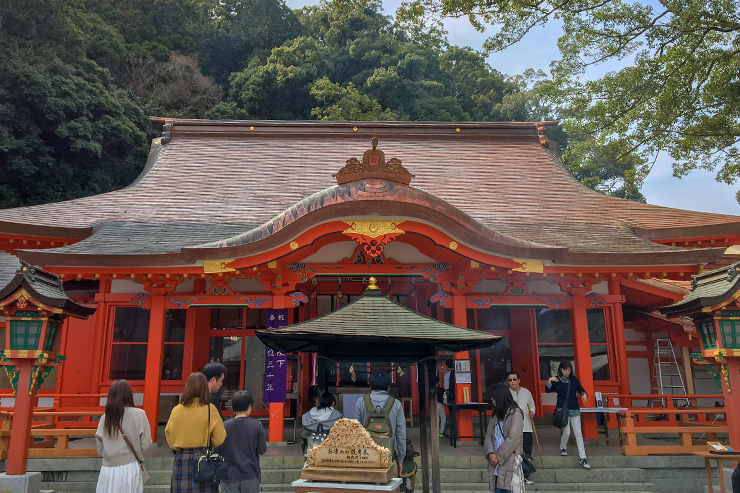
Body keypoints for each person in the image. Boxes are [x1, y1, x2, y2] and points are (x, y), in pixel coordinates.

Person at [166, 372, 228, 493]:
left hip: (181, 460)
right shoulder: (210, 409)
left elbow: (170, 438)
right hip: (203, 460)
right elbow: (219, 438)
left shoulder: (176, 410)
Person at [95, 380, 152, 493]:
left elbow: (99, 448)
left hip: (108, 468)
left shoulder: (105, 418)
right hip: (130, 466)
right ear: (129, 395)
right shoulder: (139, 414)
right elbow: (146, 444)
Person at [355, 370, 406, 473]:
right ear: (388, 387)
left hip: (365, 454)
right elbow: (401, 433)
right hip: (389, 454)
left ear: (370, 385)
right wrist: (401, 458)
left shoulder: (361, 402)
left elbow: (356, 430)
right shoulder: (396, 404)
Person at [216, 390, 267, 493]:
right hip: (250, 474)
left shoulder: (224, 426)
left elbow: (216, 451)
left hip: (228, 475)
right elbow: (262, 450)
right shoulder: (256, 425)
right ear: (249, 406)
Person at [546, 360, 591, 469]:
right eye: (565, 370)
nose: (567, 372)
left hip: (574, 409)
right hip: (563, 409)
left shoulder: (574, 380)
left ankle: (583, 458)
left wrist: (584, 394)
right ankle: (563, 447)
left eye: (569, 370)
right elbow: (548, 390)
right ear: (561, 369)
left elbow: (581, 390)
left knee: (578, 434)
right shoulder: (557, 380)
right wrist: (549, 380)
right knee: (566, 432)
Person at [484, 383, 524, 493]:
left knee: (509, 488)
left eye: (494, 397)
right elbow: (488, 435)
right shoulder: (496, 414)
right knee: (498, 488)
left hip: (509, 459)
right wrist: (490, 453)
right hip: (495, 461)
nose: (492, 399)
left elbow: (513, 439)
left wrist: (497, 457)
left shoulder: (515, 414)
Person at [506, 372, 536, 485]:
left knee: (527, 452)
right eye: (510, 380)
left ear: (519, 380)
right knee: (514, 453)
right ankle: (514, 476)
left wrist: (532, 412)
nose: (512, 382)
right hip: (513, 429)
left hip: (527, 427)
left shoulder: (526, 392)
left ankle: (526, 475)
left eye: (514, 379)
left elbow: (532, 405)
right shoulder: (507, 394)